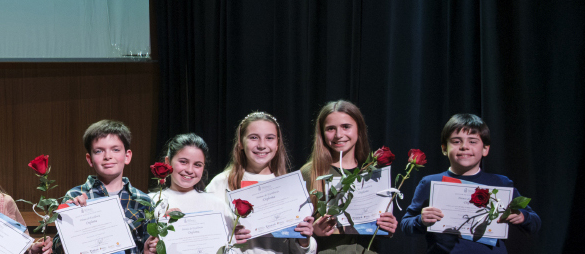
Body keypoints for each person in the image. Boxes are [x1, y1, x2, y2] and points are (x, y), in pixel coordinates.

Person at [399, 114, 541, 253]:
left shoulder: (501, 183)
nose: (464, 147)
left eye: (472, 141)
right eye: (456, 141)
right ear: (444, 148)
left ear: (485, 149)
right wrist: (421, 220)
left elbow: (535, 223)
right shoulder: (430, 182)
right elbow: (406, 225)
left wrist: (522, 216)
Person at [205, 112, 318, 253]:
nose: (262, 145)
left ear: (277, 144)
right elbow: (206, 236)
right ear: (240, 142)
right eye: (254, 137)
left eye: (269, 138)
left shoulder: (290, 186)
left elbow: (300, 249)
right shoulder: (221, 183)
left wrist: (304, 240)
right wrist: (228, 237)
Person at [300, 101, 398, 253]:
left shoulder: (374, 173)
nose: (339, 135)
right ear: (322, 133)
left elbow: (378, 226)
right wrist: (313, 230)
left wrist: (387, 227)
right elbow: (293, 232)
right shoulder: (310, 173)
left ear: (359, 129)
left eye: (346, 127)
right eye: (331, 129)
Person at [144, 133, 252, 254]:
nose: (190, 170)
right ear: (168, 161)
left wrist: (234, 240)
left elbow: (232, 249)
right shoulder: (151, 201)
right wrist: (149, 249)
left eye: (197, 165)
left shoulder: (217, 205)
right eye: (183, 162)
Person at [56, 120, 152, 254]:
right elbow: (57, 248)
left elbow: (148, 246)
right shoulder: (75, 195)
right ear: (90, 159)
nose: (108, 156)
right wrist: (72, 218)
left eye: (115, 149)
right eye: (99, 151)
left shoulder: (143, 200)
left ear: (127, 156)